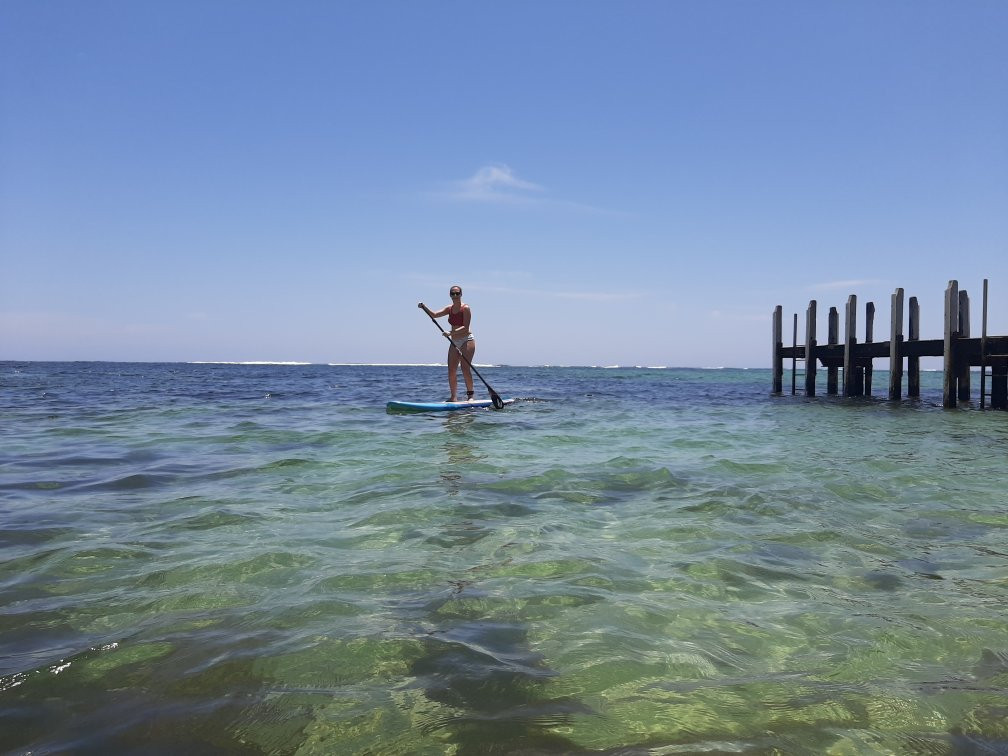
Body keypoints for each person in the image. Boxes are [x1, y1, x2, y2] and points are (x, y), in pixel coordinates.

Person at [418, 286, 477, 402]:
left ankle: (470, 396)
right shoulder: (449, 308)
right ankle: (453, 397)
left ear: (461, 294)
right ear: (450, 295)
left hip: (467, 340)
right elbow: (434, 315)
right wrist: (424, 307)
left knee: (465, 368)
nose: (455, 296)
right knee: (451, 370)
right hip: (454, 341)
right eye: (452, 293)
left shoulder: (466, 308)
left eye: (457, 293)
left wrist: (450, 332)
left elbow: (466, 328)